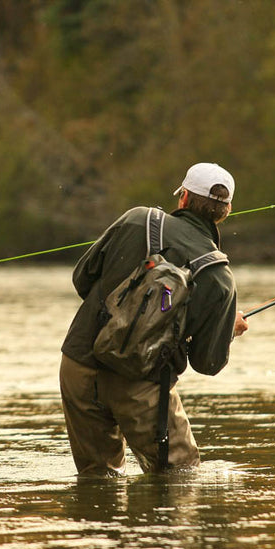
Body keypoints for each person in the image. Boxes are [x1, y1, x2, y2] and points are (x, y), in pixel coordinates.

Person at [59, 162, 249, 475]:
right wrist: (227, 329)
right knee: (180, 479)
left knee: (98, 480)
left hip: (79, 363)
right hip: (142, 384)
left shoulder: (137, 219)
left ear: (183, 198)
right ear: (226, 210)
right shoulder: (219, 277)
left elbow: (82, 279)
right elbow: (207, 363)